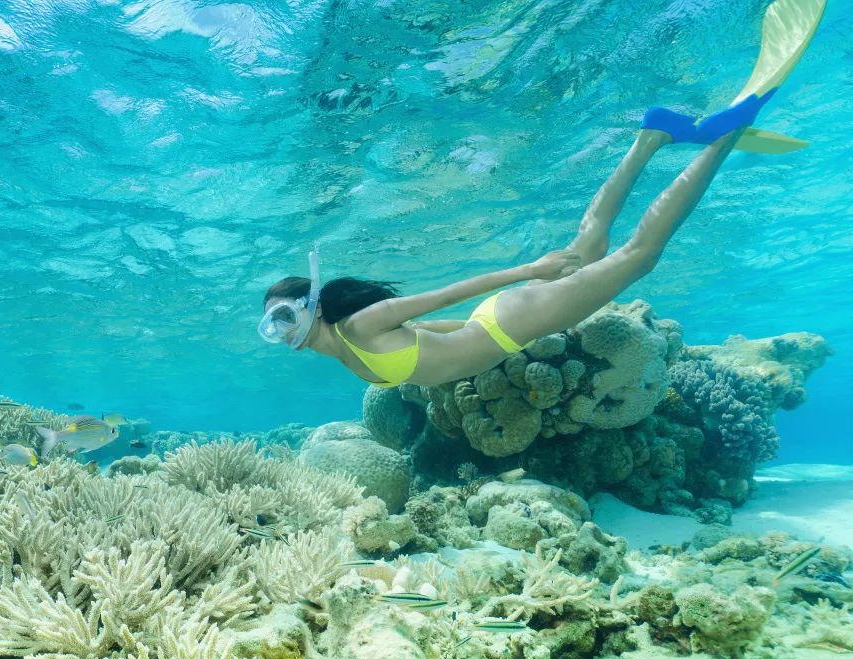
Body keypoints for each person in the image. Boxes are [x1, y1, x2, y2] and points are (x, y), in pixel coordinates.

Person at [257, 0, 826, 389]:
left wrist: (528, 270)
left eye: (282, 317)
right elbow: (436, 335)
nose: (282, 334)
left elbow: (444, 295)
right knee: (591, 247)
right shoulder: (352, 360)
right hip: (505, 323)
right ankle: (650, 138)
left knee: (639, 257)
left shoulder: (359, 327)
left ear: (310, 307)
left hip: (511, 319)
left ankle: (725, 135)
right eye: (273, 327)